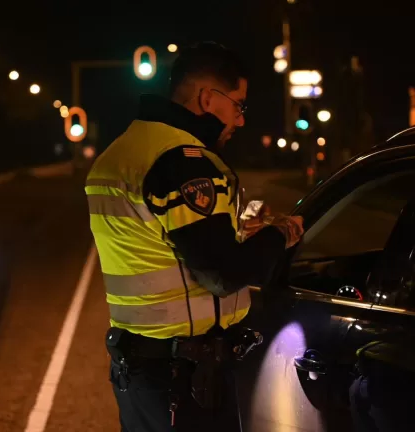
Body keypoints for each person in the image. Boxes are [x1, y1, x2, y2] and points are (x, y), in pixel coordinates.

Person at [85, 42, 304, 432]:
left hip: (139, 369)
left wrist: (239, 232)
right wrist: (280, 233)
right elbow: (220, 275)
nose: (239, 120)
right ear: (207, 99)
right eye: (238, 105)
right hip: (183, 377)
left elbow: (163, 239)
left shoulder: (123, 150)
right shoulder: (181, 160)